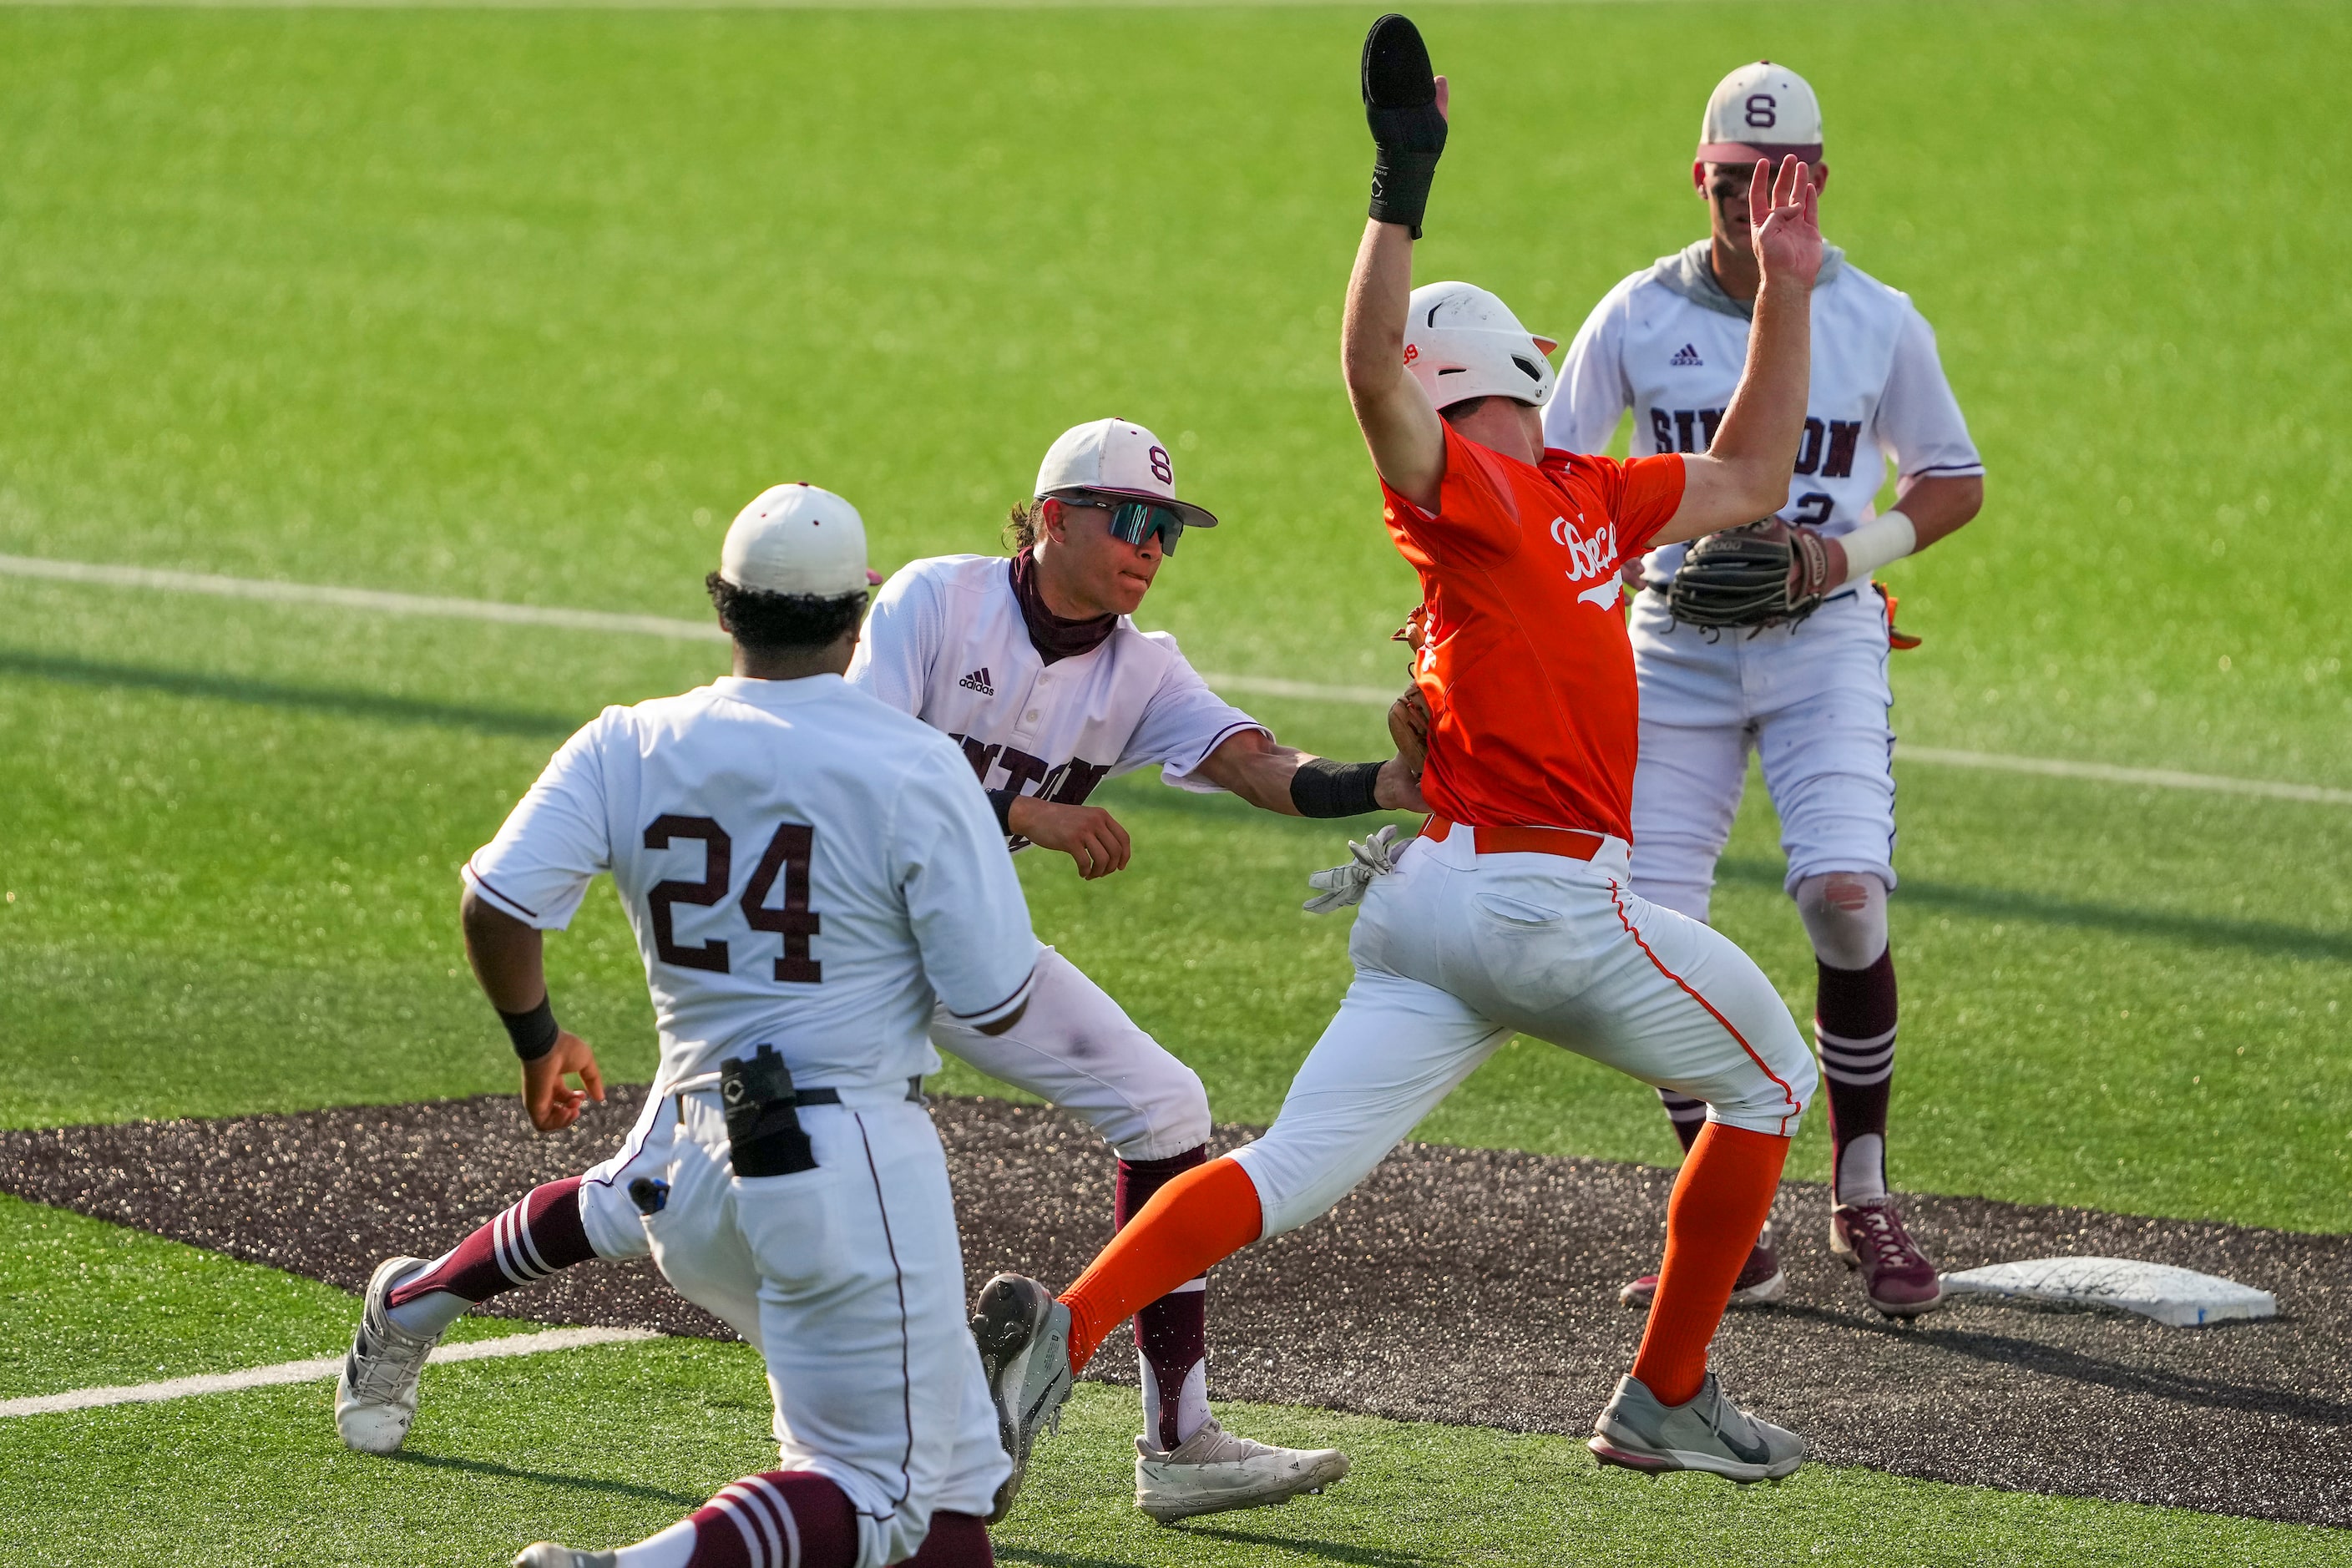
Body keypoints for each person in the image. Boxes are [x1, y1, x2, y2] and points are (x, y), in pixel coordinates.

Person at [969, 15, 1827, 1509]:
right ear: (1501, 362)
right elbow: (1366, 369)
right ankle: (1665, 1391)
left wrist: (1787, 295)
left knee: (1289, 1165)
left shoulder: (1579, 490)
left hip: (1433, 909)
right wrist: (1398, 174)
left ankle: (1068, 1326)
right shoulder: (1469, 485)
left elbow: (1754, 473)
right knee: (1767, 1074)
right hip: (1540, 903)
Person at [335, 419, 1411, 1524]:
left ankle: (1176, 1436)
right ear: (1052, 518)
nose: (1150, 547)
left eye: (1167, 532)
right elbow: (853, 745)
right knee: (634, 1199)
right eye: (1129, 519)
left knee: (1165, 1104)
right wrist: (1025, 811)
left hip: (954, 938)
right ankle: (413, 1301)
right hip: (829, 951)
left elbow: (1261, 768)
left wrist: (1388, 779)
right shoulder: (935, 601)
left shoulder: (1144, 668)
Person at [381, 483, 1027, 1566]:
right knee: (873, 1491)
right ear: (858, 616)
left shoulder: (627, 742)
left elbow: (495, 901)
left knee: (952, 1494)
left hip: (688, 1172)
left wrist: (540, 1040)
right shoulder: (914, 763)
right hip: (845, 1169)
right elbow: (992, 993)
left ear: (723, 607)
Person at [1543, 62, 1984, 1318]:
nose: (1752, 198)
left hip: (1821, 636)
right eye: (1733, 178)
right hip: (1669, 645)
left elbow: (1949, 480)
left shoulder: (1877, 315)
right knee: (1641, 930)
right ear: (1699, 176)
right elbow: (1558, 483)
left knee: (1843, 898)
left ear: (1818, 178)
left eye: (1778, 173)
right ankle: (1723, 1215)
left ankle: (1859, 1187)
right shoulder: (1633, 312)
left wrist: (1844, 553)